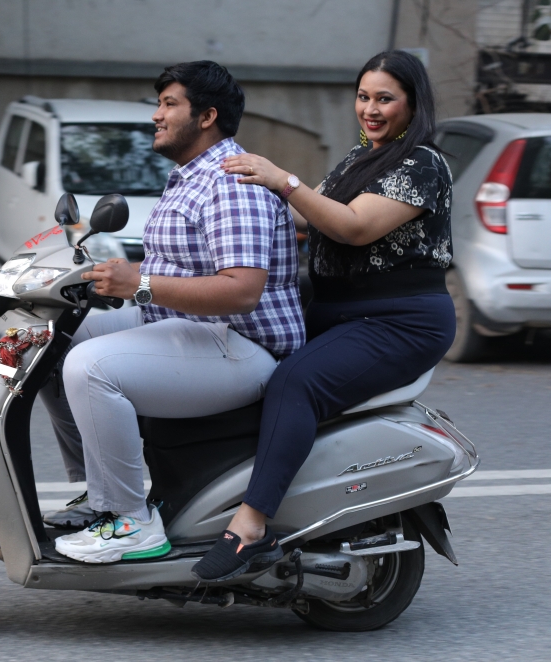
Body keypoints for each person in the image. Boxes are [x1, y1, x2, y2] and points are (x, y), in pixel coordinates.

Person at [191, 49, 457, 582]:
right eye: (363, 97)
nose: (371, 109)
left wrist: (281, 179)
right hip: (337, 306)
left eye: (385, 98)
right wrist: (230, 203)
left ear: (413, 103)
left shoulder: (421, 163)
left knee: (294, 382)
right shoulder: (362, 158)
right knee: (228, 343)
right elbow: (305, 211)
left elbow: (352, 227)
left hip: (398, 320)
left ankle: (251, 525)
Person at [40, 60, 305, 564]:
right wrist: (114, 275)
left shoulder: (231, 181)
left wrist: (139, 285)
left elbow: (241, 291)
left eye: (169, 104)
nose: (156, 116)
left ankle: (130, 522)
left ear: (206, 117)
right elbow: (179, 264)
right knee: (52, 339)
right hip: (189, 326)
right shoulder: (191, 175)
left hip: (241, 344)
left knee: (89, 367)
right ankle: (99, 497)